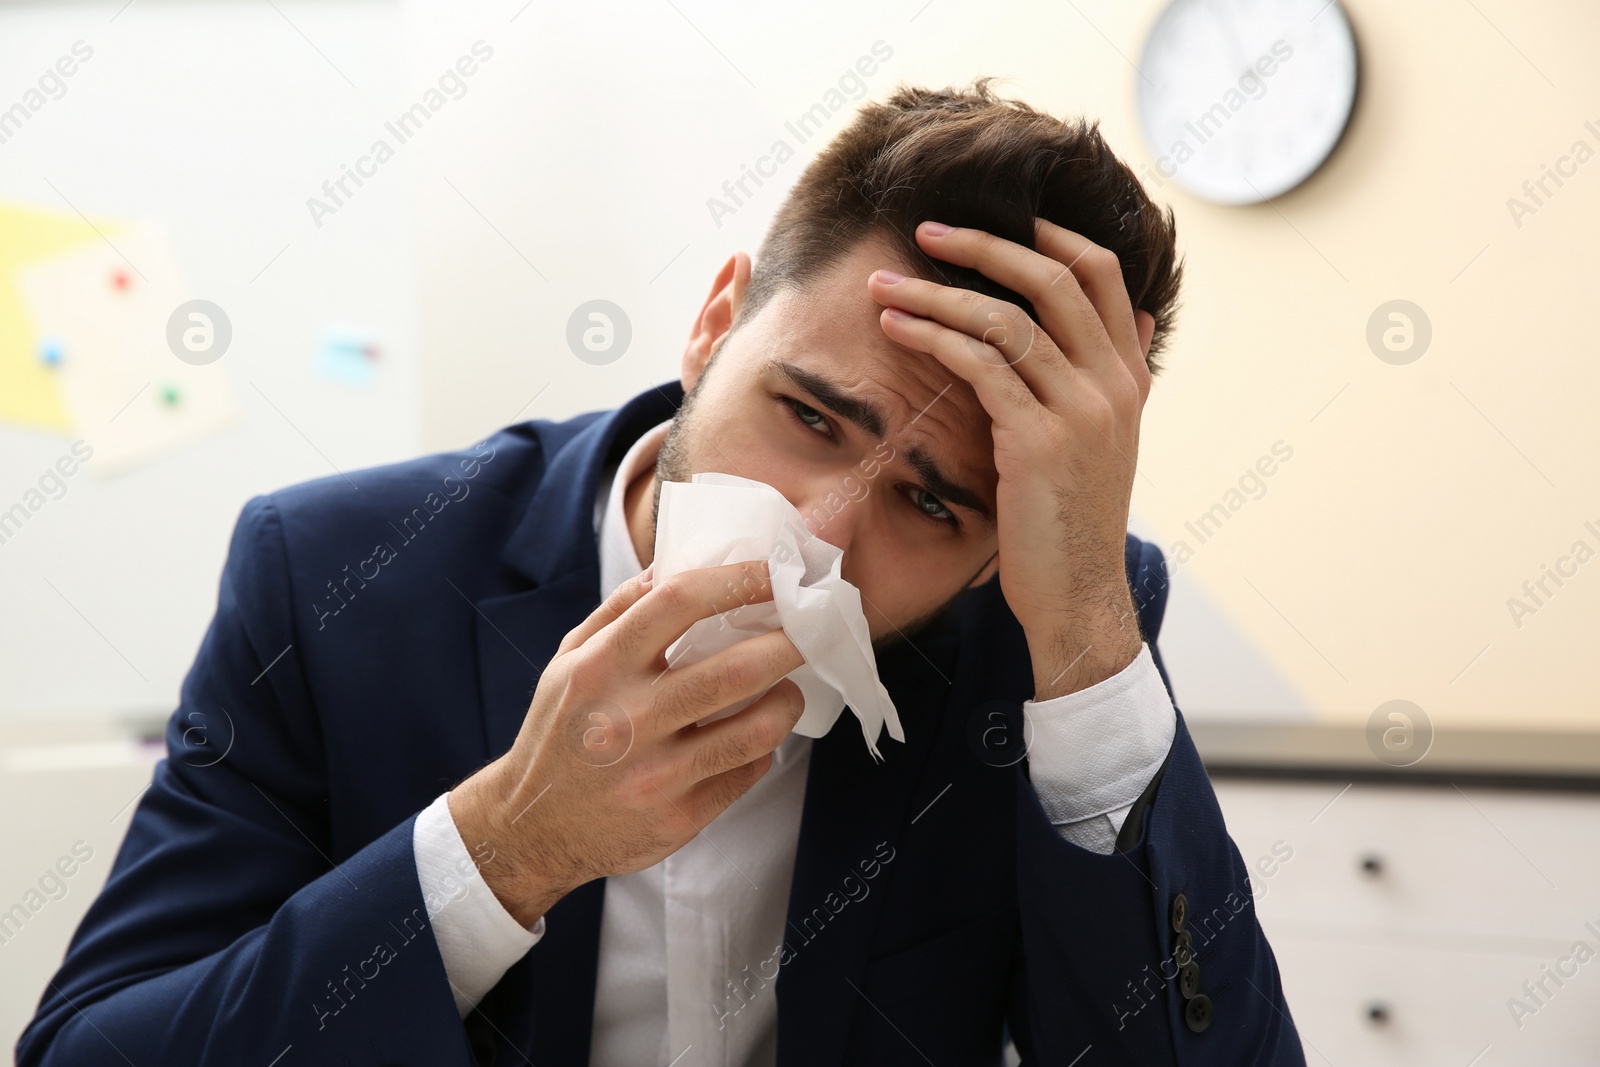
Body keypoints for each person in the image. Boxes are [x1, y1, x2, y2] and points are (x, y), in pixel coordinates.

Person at [19, 78, 1303, 1066]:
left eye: (929, 501)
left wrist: (1083, 627)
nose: (823, 533)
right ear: (713, 324)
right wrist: (508, 845)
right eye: (810, 416)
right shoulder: (338, 575)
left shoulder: (1045, 629)